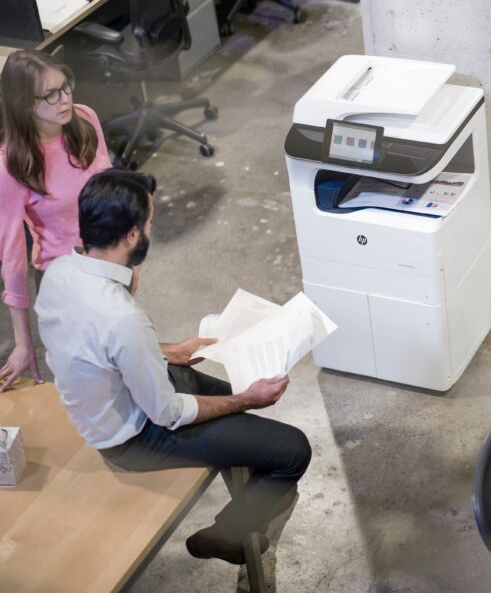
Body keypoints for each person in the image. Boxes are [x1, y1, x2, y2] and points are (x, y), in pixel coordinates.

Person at [35, 169, 311, 564]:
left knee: (239, 389)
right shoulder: (122, 315)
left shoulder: (60, 273)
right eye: (149, 223)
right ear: (132, 236)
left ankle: (252, 483)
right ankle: (228, 534)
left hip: (124, 394)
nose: (151, 229)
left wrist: (169, 352)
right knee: (293, 450)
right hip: (134, 437)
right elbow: (167, 412)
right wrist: (246, 400)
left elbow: (95, 346)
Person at [0, 49, 112, 392]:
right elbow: (13, 257)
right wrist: (24, 342)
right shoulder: (12, 163)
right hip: (65, 284)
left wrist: (130, 259)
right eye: (50, 94)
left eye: (66, 87)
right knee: (93, 386)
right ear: (24, 103)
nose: (64, 100)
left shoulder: (85, 119)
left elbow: (111, 190)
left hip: (110, 264)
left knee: (123, 365)